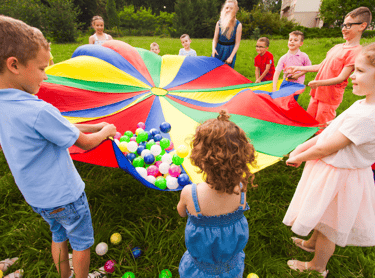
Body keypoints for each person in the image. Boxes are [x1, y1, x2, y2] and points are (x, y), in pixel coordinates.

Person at [0, 16, 117, 278]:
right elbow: (84, 143)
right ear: (15, 64)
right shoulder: (38, 110)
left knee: (58, 235)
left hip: (37, 198)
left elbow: (60, 128)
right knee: (82, 243)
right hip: (67, 196)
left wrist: (93, 125)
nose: (46, 75)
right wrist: (106, 130)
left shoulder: (5, 106)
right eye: (42, 68)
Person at [284, 42, 375, 277]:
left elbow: (327, 147)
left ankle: (317, 266)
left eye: (361, 71)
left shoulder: (369, 117)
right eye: (355, 69)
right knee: (320, 213)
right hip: (335, 170)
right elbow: (331, 129)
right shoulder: (362, 103)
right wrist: (303, 146)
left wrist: (300, 157)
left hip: (342, 177)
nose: (352, 76)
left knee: (330, 225)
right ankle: (312, 242)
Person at [177, 110, 256, 278]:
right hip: (230, 267)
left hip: (200, 270)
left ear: (201, 159)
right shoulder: (241, 189)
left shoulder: (190, 193)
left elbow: (181, 212)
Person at [287, 7, 371, 126]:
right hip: (317, 93)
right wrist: (300, 68)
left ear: (362, 26)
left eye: (348, 25)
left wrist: (318, 83)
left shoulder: (355, 52)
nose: (343, 29)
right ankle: (309, 141)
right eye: (343, 25)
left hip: (329, 97)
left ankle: (320, 143)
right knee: (309, 120)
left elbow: (341, 78)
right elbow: (321, 66)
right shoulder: (336, 47)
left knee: (322, 124)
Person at [212, 0, 242, 68]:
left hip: (229, 51)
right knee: (214, 71)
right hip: (218, 50)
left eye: (231, 8)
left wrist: (231, 57)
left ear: (235, 10)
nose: (228, 10)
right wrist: (213, 49)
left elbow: (237, 43)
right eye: (227, 8)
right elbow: (215, 39)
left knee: (227, 73)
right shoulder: (219, 23)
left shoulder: (238, 25)